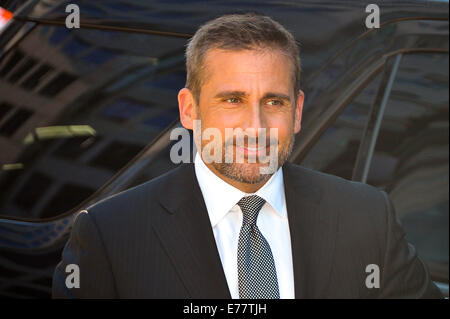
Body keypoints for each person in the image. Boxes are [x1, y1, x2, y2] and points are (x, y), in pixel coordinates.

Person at [52, 13, 442, 299]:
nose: (255, 126)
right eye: (233, 100)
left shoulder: (367, 217)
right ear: (189, 109)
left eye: (273, 101)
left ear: (297, 111)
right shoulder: (112, 236)